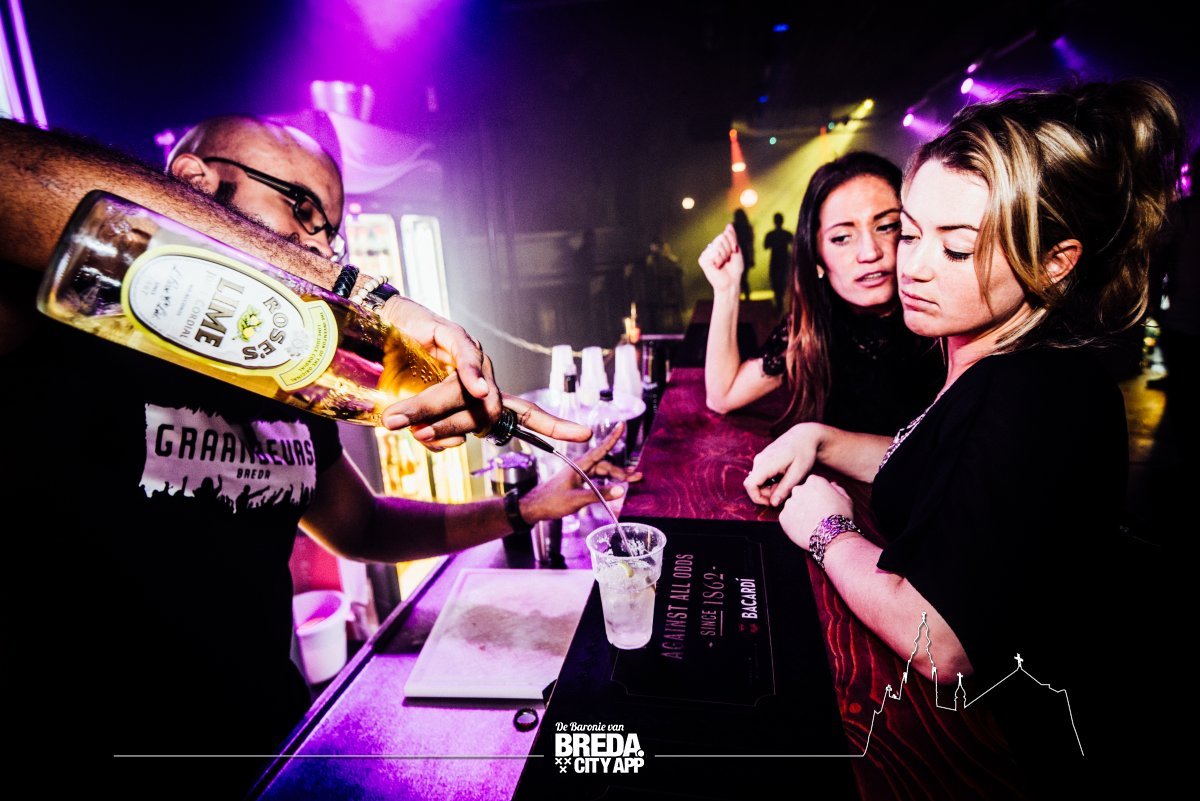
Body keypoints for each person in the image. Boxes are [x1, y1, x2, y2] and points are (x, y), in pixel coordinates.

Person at [0, 115, 632, 795]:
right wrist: (369, 297)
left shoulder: (287, 381)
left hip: (272, 747)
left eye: (330, 233)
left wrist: (526, 507)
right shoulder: (59, 315)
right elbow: (16, 171)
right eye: (302, 209)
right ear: (191, 180)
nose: (320, 247)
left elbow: (361, 525)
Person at [745, 81, 1183, 792]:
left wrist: (828, 530)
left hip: (1011, 755)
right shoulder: (984, 351)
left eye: (955, 248)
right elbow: (938, 462)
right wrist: (821, 439)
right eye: (912, 233)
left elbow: (939, 641)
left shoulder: (1038, 392)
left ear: (1055, 261)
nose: (910, 265)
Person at [699, 152, 944, 435]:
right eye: (841, 238)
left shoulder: (946, 322)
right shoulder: (811, 328)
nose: (869, 253)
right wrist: (727, 288)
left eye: (887, 226)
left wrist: (823, 443)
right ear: (817, 258)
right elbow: (723, 395)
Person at [763, 211, 793, 312]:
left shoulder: (770, 234)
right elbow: (794, 245)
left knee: (776, 282)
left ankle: (779, 304)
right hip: (784, 260)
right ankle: (783, 305)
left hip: (775, 259)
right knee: (784, 281)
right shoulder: (787, 234)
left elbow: (766, 246)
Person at [731, 207, 755, 300]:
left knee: (739, 277)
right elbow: (751, 244)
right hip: (743, 254)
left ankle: (741, 296)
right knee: (742, 277)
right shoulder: (747, 227)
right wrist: (752, 258)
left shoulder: (734, 227)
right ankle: (746, 296)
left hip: (737, 254)